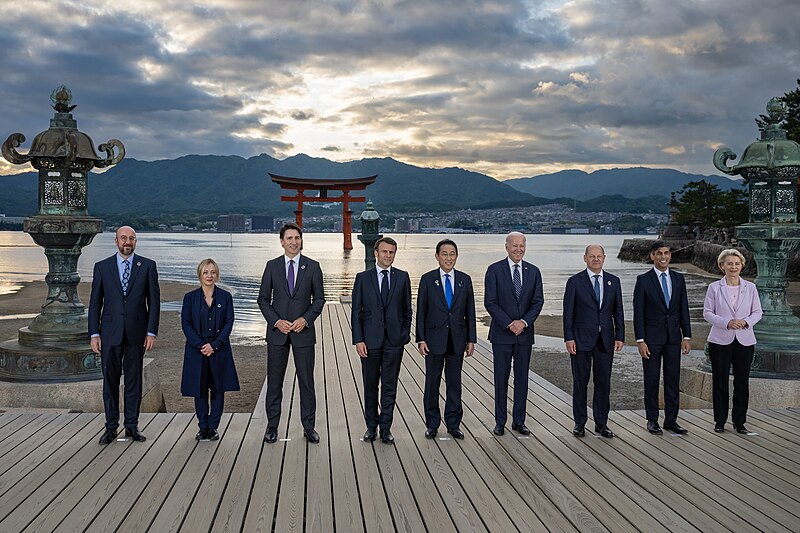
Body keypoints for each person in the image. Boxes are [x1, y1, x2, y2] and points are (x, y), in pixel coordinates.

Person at [89, 226, 160, 445]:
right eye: (123, 238)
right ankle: (111, 427)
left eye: (131, 238)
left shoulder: (147, 266)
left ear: (135, 242)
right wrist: (94, 333)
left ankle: (132, 426)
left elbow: (154, 302)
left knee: (133, 382)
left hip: (137, 334)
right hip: (109, 334)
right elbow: (95, 303)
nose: (127, 242)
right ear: (116, 241)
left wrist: (151, 331)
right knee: (110, 382)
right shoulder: (102, 267)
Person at [257, 222, 325, 444]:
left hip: (303, 332)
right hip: (278, 333)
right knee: (275, 382)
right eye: (289, 238)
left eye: (297, 238)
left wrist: (305, 320)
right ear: (281, 242)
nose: (294, 242)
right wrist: (276, 322)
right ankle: (272, 426)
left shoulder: (313, 266)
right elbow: (263, 299)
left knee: (306, 382)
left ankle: (309, 427)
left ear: (301, 241)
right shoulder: (272, 266)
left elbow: (320, 300)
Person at [351, 237, 412, 444]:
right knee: (370, 386)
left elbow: (407, 310)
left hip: (394, 341)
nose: (388, 255)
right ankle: (371, 427)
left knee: (389, 385)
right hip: (370, 341)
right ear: (376, 253)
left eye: (391, 252)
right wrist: (358, 339)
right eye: (384, 252)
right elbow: (356, 312)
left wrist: (404, 334)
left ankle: (386, 428)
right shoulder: (362, 278)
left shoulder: (402, 277)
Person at [484, 232, 544, 436]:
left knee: (522, 379)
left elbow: (538, 302)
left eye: (522, 245)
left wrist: (523, 322)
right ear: (506, 247)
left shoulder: (534, 271)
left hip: (524, 334)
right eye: (514, 245)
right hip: (502, 334)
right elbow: (490, 302)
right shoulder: (494, 270)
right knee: (501, 378)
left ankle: (519, 421)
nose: (518, 249)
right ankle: (500, 421)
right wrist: (509, 323)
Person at [416, 239, 476, 440]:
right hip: (433, 340)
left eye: (452, 254)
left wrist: (471, 340)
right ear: (437, 256)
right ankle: (432, 424)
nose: (448, 258)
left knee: (454, 384)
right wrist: (421, 338)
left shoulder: (464, 280)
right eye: (444, 254)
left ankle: (453, 424)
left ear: (456, 257)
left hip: (457, 339)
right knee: (432, 383)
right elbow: (421, 312)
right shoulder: (427, 279)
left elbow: (470, 312)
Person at [563, 245, 624, 438]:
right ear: (585, 258)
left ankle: (601, 423)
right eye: (592, 256)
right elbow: (568, 313)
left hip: (605, 340)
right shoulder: (575, 282)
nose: (596, 259)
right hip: (580, 340)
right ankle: (579, 423)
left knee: (603, 383)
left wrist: (620, 336)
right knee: (580, 382)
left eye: (599, 256)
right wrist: (569, 337)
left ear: (604, 258)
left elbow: (618, 312)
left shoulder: (613, 282)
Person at [633, 240, 692, 435]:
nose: (663, 257)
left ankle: (671, 420)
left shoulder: (678, 279)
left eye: (666, 253)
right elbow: (638, 313)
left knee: (672, 380)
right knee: (651, 380)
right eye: (659, 253)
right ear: (652, 256)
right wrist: (640, 340)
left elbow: (683, 308)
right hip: (651, 339)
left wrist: (687, 336)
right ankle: (652, 420)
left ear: (670, 255)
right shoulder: (643, 280)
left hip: (674, 338)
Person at [702, 249, 762, 434]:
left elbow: (758, 312)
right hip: (720, 340)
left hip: (745, 340)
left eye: (737, 263)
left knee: (742, 382)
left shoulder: (750, 287)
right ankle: (719, 421)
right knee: (720, 381)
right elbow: (707, 313)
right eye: (729, 263)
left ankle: (739, 422)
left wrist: (746, 322)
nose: (733, 267)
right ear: (722, 266)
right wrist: (727, 322)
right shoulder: (714, 288)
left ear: (742, 266)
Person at [180, 258, 240, 441]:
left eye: (213, 272)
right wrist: (200, 345)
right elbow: (186, 323)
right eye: (206, 272)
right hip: (196, 350)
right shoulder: (190, 298)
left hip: (219, 350)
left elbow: (229, 322)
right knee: (199, 390)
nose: (209, 276)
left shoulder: (225, 297)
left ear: (217, 275)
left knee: (217, 389)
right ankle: (202, 427)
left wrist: (214, 345)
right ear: (200, 274)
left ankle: (213, 427)